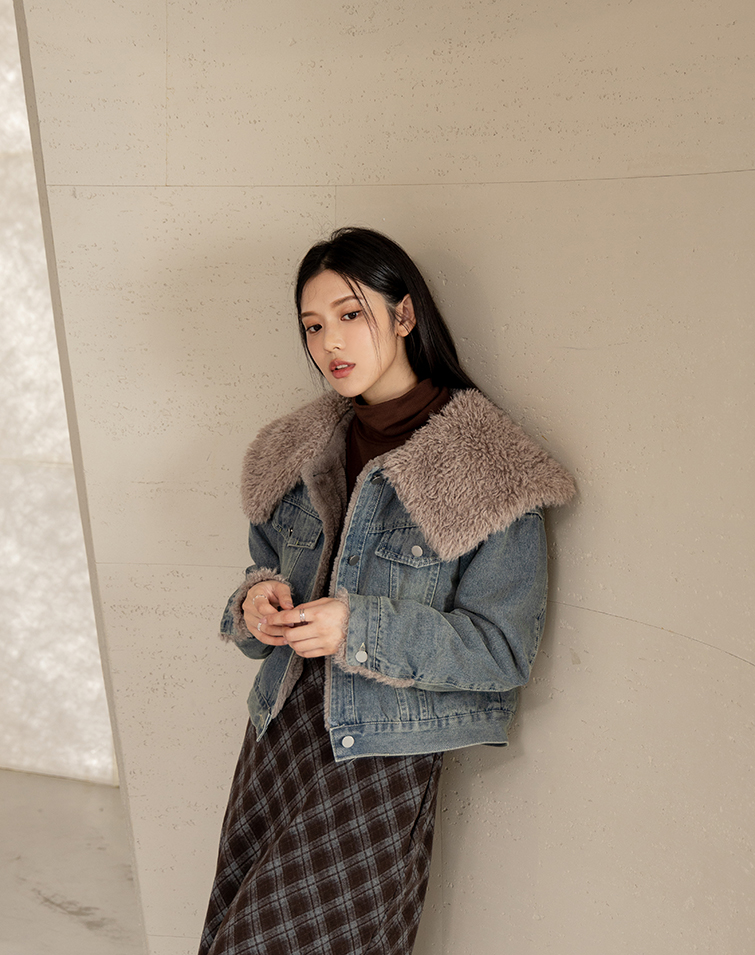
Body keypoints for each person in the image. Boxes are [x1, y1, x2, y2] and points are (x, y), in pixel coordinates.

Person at [198, 227, 575, 955]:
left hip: (378, 758)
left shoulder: (489, 470)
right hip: (278, 733)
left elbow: (501, 651)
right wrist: (255, 604)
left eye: (350, 314)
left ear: (403, 315)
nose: (330, 342)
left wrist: (357, 628)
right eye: (313, 325)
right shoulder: (297, 450)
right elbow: (261, 569)